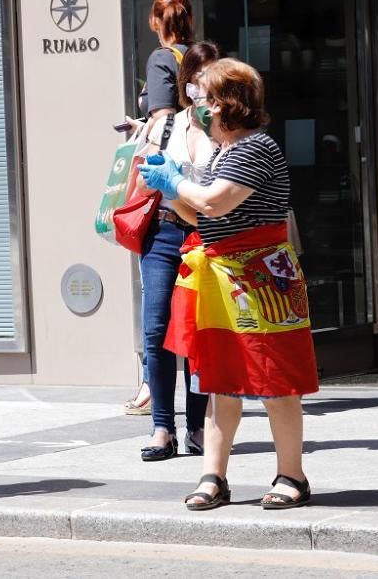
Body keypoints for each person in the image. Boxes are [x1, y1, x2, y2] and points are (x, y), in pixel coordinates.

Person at [139, 58, 319, 510]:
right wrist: (168, 189)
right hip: (221, 276)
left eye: (203, 98)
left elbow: (214, 204)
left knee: (276, 382)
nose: (196, 106)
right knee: (218, 382)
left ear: (226, 105)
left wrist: (176, 181)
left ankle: (292, 476)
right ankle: (213, 477)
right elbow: (197, 215)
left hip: (262, 280)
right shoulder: (222, 151)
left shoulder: (256, 148)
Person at [123, 41, 221, 460]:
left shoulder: (226, 128)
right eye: (199, 79)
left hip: (204, 236)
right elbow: (142, 178)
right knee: (157, 329)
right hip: (163, 234)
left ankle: (198, 427)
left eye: (212, 79)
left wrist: (180, 190)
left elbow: (221, 195)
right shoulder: (166, 126)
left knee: (198, 333)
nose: (204, 88)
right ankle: (162, 427)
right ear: (186, 84)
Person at [123, 0, 195, 416]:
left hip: (168, 195)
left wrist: (141, 132)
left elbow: (164, 118)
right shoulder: (205, 57)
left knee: (159, 306)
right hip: (202, 190)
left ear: (156, 22)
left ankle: (155, 394)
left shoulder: (161, 58)